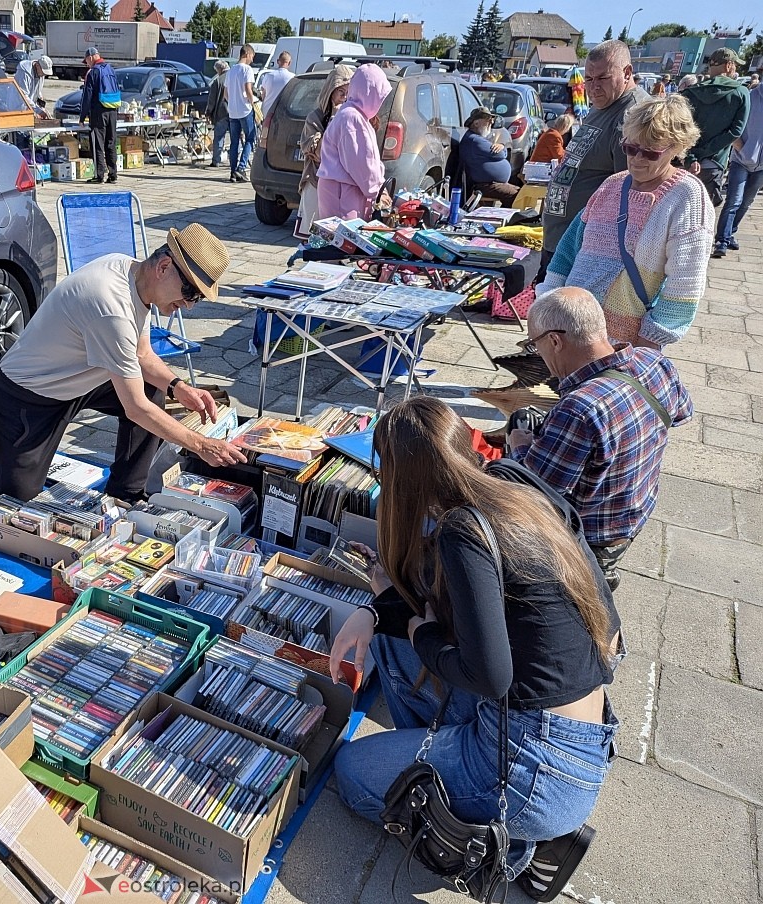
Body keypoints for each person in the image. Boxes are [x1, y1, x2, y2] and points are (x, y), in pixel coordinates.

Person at [330, 396, 620, 900]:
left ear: (401, 480)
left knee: (352, 773)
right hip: (578, 736)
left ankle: (503, 845)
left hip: (532, 765)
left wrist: (421, 631)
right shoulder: (514, 483)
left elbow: (490, 676)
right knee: (395, 646)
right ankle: (450, 776)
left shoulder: (462, 532)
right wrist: (376, 612)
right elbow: (609, 625)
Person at [0, 224, 248, 505]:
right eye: (190, 292)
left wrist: (180, 387)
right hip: (25, 395)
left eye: (198, 298)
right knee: (12, 496)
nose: (189, 306)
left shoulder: (134, 276)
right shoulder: (111, 305)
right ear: (164, 267)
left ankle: (126, 494)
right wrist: (201, 444)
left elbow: (142, 356)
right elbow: (135, 408)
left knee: (153, 388)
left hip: (77, 381)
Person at [506, 287, 693, 589]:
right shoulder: (653, 361)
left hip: (592, 533)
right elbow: (682, 412)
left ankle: (593, 590)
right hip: (635, 508)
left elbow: (533, 492)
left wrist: (518, 446)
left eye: (534, 345)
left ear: (554, 341)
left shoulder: (579, 408)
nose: (536, 354)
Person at [540, 95, 713, 348]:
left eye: (650, 153)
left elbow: (685, 284)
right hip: (568, 332)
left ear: (676, 148)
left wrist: (651, 343)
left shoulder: (687, 196)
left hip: (624, 343)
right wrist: (547, 302)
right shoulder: (612, 184)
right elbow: (569, 248)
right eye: (630, 148)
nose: (637, 158)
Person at [541, 40, 645, 282]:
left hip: (588, 248)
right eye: (588, 79)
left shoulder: (632, 116)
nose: (593, 87)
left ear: (627, 73)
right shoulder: (603, 104)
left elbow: (632, 191)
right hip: (563, 241)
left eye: (603, 78)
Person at [316, 64, 391, 220]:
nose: (380, 103)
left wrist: (379, 186)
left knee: (342, 241)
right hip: (342, 194)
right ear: (370, 93)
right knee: (343, 242)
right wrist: (377, 190)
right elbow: (361, 164)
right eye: (379, 96)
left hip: (344, 192)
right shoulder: (352, 118)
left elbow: (369, 161)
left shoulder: (355, 115)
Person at [681, 47, 750, 208]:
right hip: (714, 164)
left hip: (686, 163)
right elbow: (735, 132)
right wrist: (704, 153)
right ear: (729, 65)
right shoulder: (741, 92)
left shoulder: (690, 92)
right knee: (705, 216)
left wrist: (692, 156)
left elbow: (679, 130)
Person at [295, 64, 353, 234]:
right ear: (330, 92)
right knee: (312, 236)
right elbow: (321, 154)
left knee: (336, 239)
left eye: (348, 94)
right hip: (315, 181)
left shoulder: (352, 118)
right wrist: (335, 119)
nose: (345, 98)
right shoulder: (315, 118)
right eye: (341, 93)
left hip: (340, 186)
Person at [713, 77, 763, 256]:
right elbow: (732, 127)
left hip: (761, 166)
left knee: (746, 202)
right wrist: (744, 149)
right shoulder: (750, 97)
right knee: (734, 200)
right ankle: (721, 240)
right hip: (741, 160)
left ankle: (730, 232)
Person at [459, 106, 520, 206]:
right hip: (485, 185)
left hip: (491, 183)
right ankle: (507, 219)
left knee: (521, 192)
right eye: (488, 120)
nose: (491, 122)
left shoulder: (476, 138)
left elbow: (499, 152)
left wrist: (501, 146)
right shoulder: (475, 140)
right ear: (476, 123)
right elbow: (501, 154)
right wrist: (503, 149)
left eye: (492, 120)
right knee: (516, 195)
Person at [79, 47, 120, 185]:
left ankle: (99, 175)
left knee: (97, 144)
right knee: (111, 143)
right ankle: (113, 174)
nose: (87, 64)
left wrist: (82, 117)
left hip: (98, 112)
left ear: (91, 57)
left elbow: (87, 97)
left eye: (86, 61)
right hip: (113, 110)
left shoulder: (93, 72)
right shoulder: (110, 69)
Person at [225, 44, 256, 183]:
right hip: (245, 109)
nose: (252, 60)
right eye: (252, 57)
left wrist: (233, 102)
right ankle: (241, 167)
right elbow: (248, 89)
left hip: (232, 111)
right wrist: (252, 102)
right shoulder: (247, 69)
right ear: (247, 54)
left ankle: (232, 171)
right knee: (250, 138)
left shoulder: (231, 70)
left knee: (234, 142)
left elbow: (225, 93)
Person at [204, 60, 231, 167]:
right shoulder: (234, 78)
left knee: (219, 137)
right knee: (236, 137)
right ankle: (234, 159)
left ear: (220, 69)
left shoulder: (217, 81)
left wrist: (208, 112)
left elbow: (212, 100)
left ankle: (216, 160)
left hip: (221, 113)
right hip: (235, 112)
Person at [256, 51, 294, 121]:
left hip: (267, 112)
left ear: (277, 61)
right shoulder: (292, 77)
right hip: (283, 113)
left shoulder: (268, 76)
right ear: (289, 63)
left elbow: (263, 94)